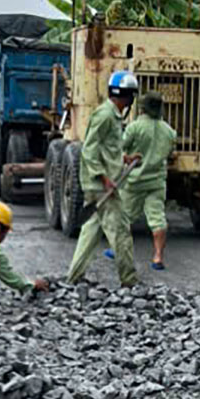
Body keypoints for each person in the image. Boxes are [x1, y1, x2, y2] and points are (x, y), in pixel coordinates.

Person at [67, 71, 141, 287]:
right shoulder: (105, 115)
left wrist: (124, 158)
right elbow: (89, 150)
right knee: (120, 232)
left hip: (101, 182)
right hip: (100, 185)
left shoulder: (112, 116)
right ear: (128, 96)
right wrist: (103, 177)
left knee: (91, 231)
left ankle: (73, 277)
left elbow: (107, 148)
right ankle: (129, 281)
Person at [110, 91, 176, 270]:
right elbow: (170, 153)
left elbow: (120, 148)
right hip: (157, 182)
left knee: (125, 217)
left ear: (142, 108)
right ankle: (158, 257)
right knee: (157, 219)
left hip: (135, 181)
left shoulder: (134, 128)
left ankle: (117, 249)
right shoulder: (169, 131)